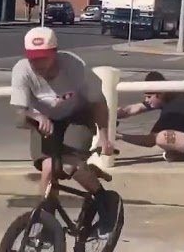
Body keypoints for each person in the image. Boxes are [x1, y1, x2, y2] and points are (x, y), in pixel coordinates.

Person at [9, 26, 119, 232]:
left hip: (77, 115)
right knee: (49, 168)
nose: (37, 64)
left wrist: (104, 136)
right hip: (45, 120)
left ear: (55, 53)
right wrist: (37, 116)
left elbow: (98, 102)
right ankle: (47, 224)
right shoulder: (22, 70)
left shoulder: (75, 67)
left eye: (43, 58)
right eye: (33, 58)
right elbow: (20, 109)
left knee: (69, 165)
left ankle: (104, 201)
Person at [114, 71, 184, 161]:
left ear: (160, 94)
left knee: (163, 138)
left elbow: (150, 141)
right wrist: (112, 114)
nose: (147, 100)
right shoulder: (170, 96)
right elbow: (135, 108)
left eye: (149, 97)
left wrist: (119, 136)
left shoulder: (174, 108)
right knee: (170, 146)